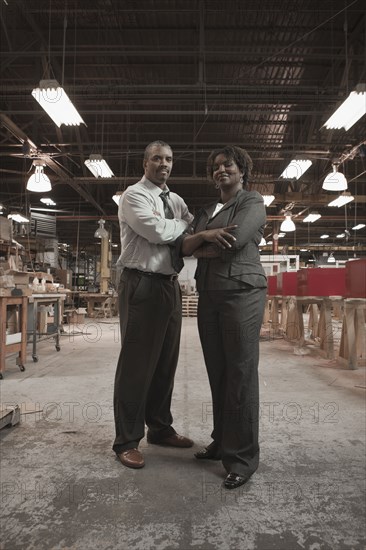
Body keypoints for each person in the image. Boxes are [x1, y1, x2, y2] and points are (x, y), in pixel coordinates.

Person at [179, 145, 267, 489]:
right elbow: (182, 247)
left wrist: (198, 245)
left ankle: (243, 458)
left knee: (240, 372)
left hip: (242, 292)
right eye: (215, 166)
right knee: (218, 372)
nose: (221, 170)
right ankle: (222, 441)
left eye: (227, 164)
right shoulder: (205, 211)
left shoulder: (251, 202)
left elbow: (233, 240)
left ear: (241, 169)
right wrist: (202, 236)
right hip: (210, 294)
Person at [113, 140, 194, 469]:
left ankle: (160, 428)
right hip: (141, 283)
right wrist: (182, 229)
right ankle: (126, 440)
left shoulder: (175, 199)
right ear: (145, 163)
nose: (164, 164)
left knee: (165, 363)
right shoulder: (134, 196)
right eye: (158, 158)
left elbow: (192, 227)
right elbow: (158, 231)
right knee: (137, 365)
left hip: (169, 285)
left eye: (169, 159)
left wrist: (184, 229)